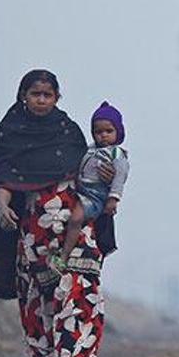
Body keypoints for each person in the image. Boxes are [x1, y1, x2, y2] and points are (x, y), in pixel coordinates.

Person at [0, 69, 117, 357]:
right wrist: (2, 204)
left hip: (77, 232)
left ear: (57, 98)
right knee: (39, 308)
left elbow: (89, 177)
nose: (41, 100)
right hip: (34, 237)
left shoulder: (69, 132)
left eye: (48, 94)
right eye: (35, 93)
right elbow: (3, 176)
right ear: (23, 95)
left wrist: (108, 180)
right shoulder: (11, 132)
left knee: (82, 300)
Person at [52, 101, 129, 271]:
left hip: (95, 196)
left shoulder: (117, 155)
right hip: (80, 189)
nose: (103, 135)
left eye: (109, 131)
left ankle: (63, 256)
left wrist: (113, 199)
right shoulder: (89, 150)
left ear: (118, 132)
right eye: (98, 131)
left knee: (76, 218)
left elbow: (119, 178)